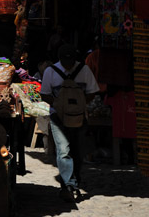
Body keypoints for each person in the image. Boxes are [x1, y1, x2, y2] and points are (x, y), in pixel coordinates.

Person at [40, 44, 99, 202]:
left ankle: (74, 181)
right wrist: (60, 105)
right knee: (63, 150)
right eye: (65, 61)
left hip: (79, 117)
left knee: (78, 151)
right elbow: (44, 94)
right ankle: (69, 185)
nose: (68, 65)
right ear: (59, 59)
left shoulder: (84, 70)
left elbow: (93, 91)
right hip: (58, 117)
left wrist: (78, 105)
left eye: (71, 61)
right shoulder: (51, 71)